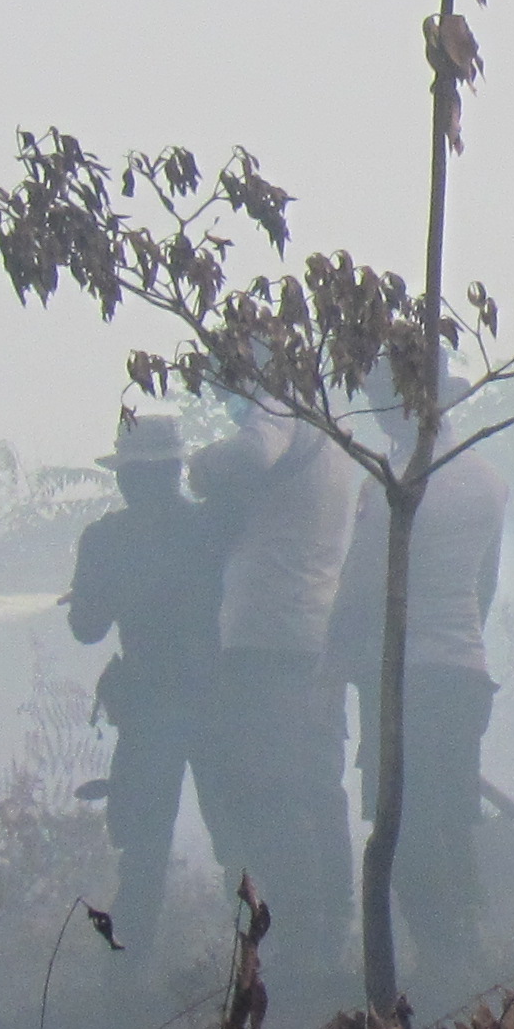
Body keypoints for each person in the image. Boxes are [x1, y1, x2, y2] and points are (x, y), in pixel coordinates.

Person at [326, 388, 512, 1002]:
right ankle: (461, 955)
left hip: (405, 677)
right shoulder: (487, 479)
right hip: (462, 674)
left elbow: (359, 585)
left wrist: (331, 665)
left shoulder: (394, 483)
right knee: (450, 820)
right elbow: (484, 584)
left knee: (402, 827)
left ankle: (438, 967)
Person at [193, 401, 361, 970]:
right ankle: (332, 935)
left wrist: (202, 461)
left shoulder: (279, 408)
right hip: (318, 630)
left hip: (266, 637)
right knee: (319, 788)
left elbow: (250, 454)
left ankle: (298, 943)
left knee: (271, 790)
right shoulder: (338, 430)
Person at [64, 411, 236, 961]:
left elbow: (85, 629)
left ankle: (129, 975)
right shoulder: (212, 527)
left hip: (155, 710)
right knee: (233, 839)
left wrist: (104, 593)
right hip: (207, 703)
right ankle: (261, 967)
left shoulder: (106, 539)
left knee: (147, 851)